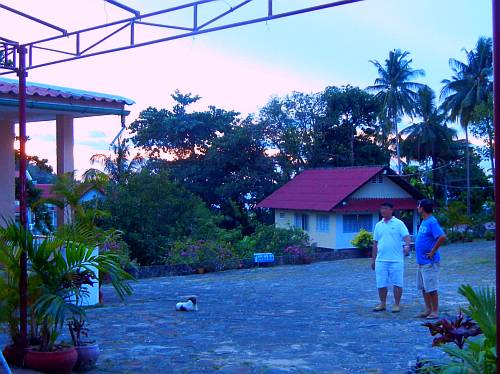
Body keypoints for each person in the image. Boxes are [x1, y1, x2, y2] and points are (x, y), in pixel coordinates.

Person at [371, 202, 412, 313]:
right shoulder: (378, 225)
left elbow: (407, 237)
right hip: (381, 260)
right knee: (381, 283)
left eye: (385, 208)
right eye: (381, 208)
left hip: (396, 260)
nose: (383, 211)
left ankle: (397, 304)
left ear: (391, 210)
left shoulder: (399, 223)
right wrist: (373, 259)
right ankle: (382, 303)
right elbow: (375, 243)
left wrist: (407, 246)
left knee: (398, 283)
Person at [415, 199, 446, 320]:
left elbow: (442, 237)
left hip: (430, 262)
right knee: (424, 287)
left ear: (422, 208)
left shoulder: (432, 221)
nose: (417, 208)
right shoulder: (424, 221)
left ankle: (435, 311)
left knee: (431, 287)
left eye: (418, 206)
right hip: (421, 262)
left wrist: (433, 251)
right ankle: (428, 309)